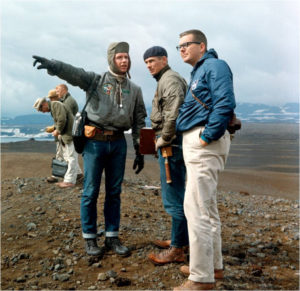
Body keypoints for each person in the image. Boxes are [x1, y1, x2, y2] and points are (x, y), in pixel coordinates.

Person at [32, 41, 147, 257]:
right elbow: (74, 73)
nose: (124, 60)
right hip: (95, 142)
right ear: (111, 59)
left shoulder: (135, 90)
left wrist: (139, 150)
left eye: (127, 57)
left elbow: (139, 120)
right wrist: (54, 65)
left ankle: (112, 236)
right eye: (120, 57)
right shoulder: (96, 80)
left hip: (119, 143)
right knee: (90, 191)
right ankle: (90, 238)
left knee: (114, 192)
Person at [174, 29, 236, 290]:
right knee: (206, 208)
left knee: (197, 208)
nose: (181, 50)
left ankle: (201, 279)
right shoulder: (199, 70)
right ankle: (213, 267)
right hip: (199, 142)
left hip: (203, 142)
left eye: (186, 45)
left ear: (202, 45)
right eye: (178, 46)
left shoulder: (215, 66)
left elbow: (225, 102)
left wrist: (206, 136)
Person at [143, 46, 189, 265]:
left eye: (152, 60)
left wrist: (165, 138)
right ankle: (180, 239)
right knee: (176, 193)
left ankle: (177, 249)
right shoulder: (165, 80)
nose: (149, 65)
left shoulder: (169, 80)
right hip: (169, 141)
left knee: (174, 197)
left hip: (171, 144)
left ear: (164, 59)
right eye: (146, 63)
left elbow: (173, 113)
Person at [33, 97, 82, 189]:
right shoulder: (54, 107)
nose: (42, 112)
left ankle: (69, 181)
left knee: (71, 157)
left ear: (44, 104)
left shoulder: (56, 105)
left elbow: (62, 119)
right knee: (68, 156)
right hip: (67, 134)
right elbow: (61, 119)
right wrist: (54, 128)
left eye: (41, 109)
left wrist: (57, 130)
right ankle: (78, 174)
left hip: (69, 134)